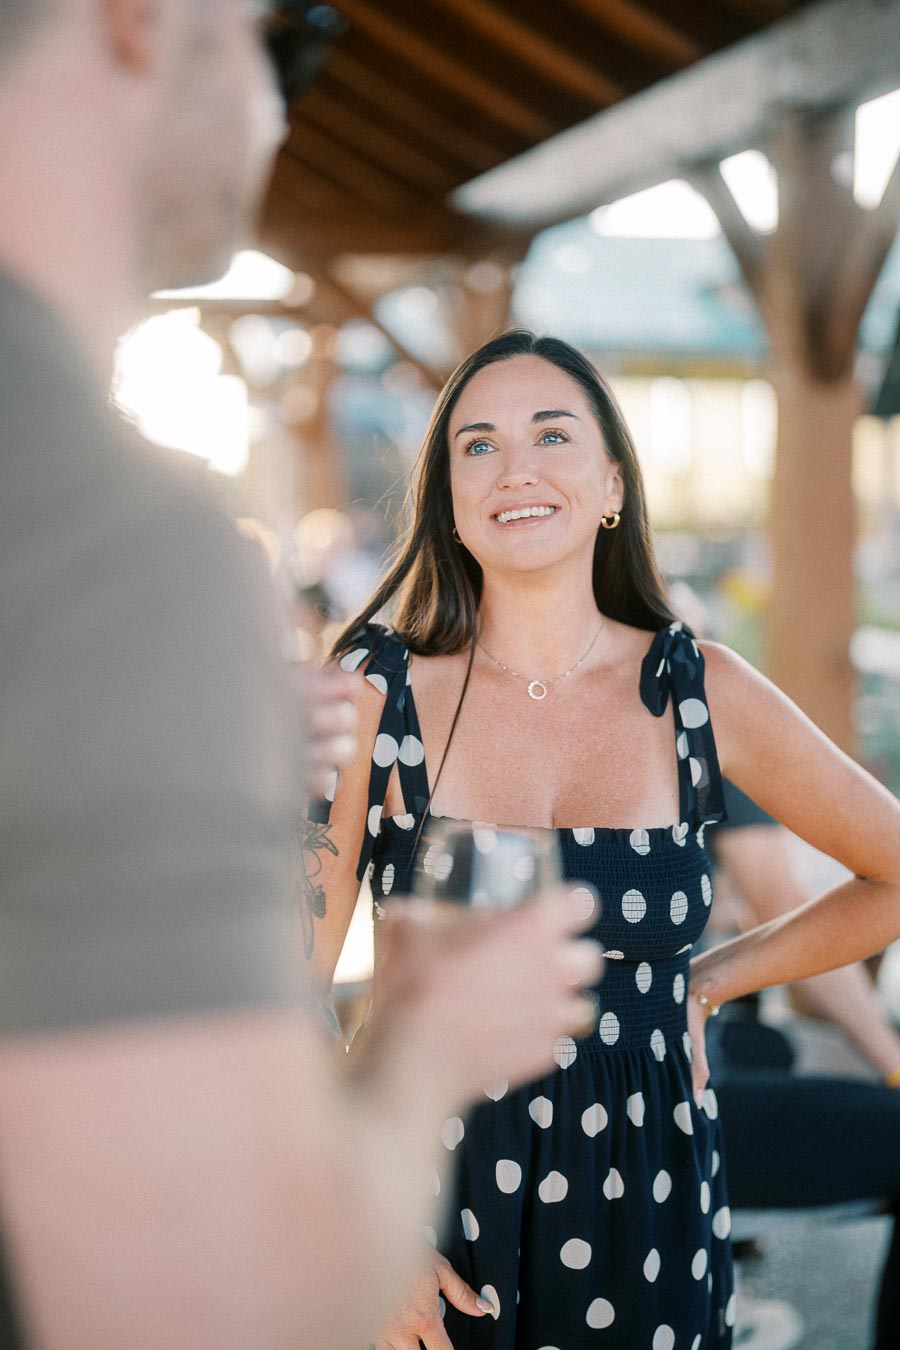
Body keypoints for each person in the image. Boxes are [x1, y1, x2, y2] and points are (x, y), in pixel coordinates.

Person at [0, 8, 603, 1348]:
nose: (283, 115)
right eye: (293, 43)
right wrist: (424, 1051)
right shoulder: (113, 537)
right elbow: (214, 1293)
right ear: (147, 19)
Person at [304, 329, 900, 1349]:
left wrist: (709, 982)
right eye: (478, 446)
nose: (516, 468)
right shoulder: (377, 691)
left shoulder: (695, 687)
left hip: (652, 1194)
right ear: (450, 495)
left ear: (612, 479)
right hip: (424, 1189)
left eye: (552, 433)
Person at [706, 779, 900, 1349]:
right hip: (655, 1096)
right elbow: (797, 922)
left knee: (776, 1046)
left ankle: (723, 1264)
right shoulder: (700, 726)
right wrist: (891, 1063)